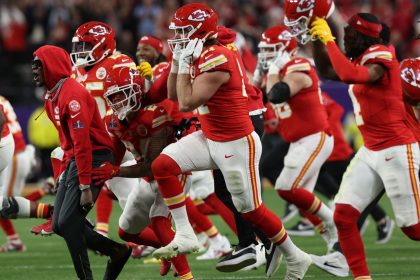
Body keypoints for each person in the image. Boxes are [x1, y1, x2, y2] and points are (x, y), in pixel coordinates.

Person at [151, 3, 312, 279]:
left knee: (252, 210)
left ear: (200, 31)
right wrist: (179, 60)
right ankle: (187, 234)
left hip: (235, 143)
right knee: (163, 165)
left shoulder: (217, 56)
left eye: (183, 31)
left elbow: (187, 101)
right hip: (211, 136)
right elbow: (173, 95)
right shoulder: (200, 53)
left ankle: (296, 256)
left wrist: (185, 61)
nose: (177, 37)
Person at [309, 13, 420, 279]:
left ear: (366, 37)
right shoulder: (363, 56)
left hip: (395, 147)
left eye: (351, 35)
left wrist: (329, 39)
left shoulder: (381, 54)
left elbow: (350, 74)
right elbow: (326, 70)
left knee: (413, 229)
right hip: (371, 150)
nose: (346, 40)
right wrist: (317, 38)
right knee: (344, 215)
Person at [32, 45, 131, 280]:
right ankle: (116, 251)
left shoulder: (72, 96)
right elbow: (68, 143)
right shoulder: (52, 95)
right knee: (58, 225)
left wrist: (85, 186)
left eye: (38, 65)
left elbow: (83, 143)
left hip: (94, 157)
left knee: (68, 224)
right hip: (77, 158)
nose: (33, 71)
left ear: (52, 67)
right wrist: (63, 174)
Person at [136, 35, 233, 261]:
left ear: (158, 52)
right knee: (199, 195)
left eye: (146, 49)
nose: (141, 53)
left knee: (207, 195)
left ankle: (235, 241)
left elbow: (174, 99)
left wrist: (151, 79)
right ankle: (216, 239)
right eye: (139, 49)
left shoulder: (165, 67)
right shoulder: (152, 72)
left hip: (185, 133)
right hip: (178, 136)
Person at [92, 66, 194, 279]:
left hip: (172, 173)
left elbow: (151, 164)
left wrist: (116, 171)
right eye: (113, 96)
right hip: (148, 179)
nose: (118, 101)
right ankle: (170, 253)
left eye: (122, 94)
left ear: (137, 90)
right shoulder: (113, 120)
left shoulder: (154, 115)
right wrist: (101, 169)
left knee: (159, 220)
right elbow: (115, 154)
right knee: (126, 232)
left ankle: (187, 276)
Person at [265, 24, 348, 277]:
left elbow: (278, 94)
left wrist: (275, 70)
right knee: (297, 196)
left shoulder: (298, 65)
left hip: (314, 137)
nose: (266, 54)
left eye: (270, 49)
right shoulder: (279, 68)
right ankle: (337, 254)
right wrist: (272, 69)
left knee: (286, 188)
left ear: (283, 49)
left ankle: (335, 225)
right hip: (299, 140)